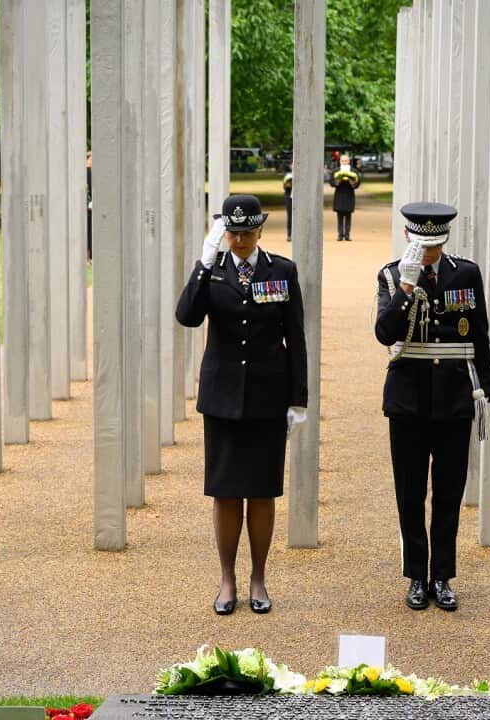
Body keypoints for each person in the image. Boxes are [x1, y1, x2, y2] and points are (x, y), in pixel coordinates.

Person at [174, 193, 308, 616]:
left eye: (247, 232)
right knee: (227, 493)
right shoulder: (211, 272)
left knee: (263, 493)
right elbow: (187, 317)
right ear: (224, 232)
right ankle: (227, 578)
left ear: (260, 231)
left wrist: (298, 399)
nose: (240, 240)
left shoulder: (282, 271)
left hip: (269, 396)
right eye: (233, 233)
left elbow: (296, 339)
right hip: (223, 396)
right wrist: (204, 260)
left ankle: (258, 578)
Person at [374, 202, 490, 612]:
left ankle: (441, 575)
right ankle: (415, 576)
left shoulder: (467, 273)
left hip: (455, 397)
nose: (428, 254)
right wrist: (406, 288)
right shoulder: (391, 275)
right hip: (407, 399)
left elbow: (480, 334)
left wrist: (484, 391)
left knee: (448, 492)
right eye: (422, 245)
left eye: (434, 246)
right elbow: (384, 332)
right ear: (408, 237)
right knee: (409, 492)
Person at [330, 155, 361, 241]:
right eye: (342, 160)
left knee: (348, 215)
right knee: (339, 216)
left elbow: (358, 183)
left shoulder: (354, 171)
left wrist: (353, 182)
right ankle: (340, 235)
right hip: (339, 195)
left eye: (346, 160)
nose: (344, 162)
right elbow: (331, 182)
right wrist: (337, 182)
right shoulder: (336, 171)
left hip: (349, 195)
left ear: (349, 161)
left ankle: (347, 235)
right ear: (340, 161)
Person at [283, 163, 293, 243]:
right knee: (290, 216)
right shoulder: (288, 175)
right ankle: (289, 234)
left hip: (299, 198)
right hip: (290, 198)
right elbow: (284, 187)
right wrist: (288, 185)